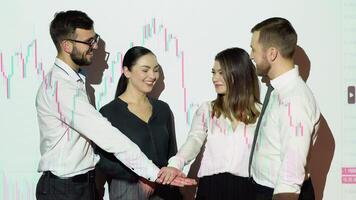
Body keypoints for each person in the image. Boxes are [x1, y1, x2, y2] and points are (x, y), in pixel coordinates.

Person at [35, 10, 195, 200]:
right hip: (65, 189)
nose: (94, 47)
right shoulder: (61, 88)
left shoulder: (77, 82)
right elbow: (107, 136)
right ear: (66, 45)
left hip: (80, 186)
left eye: (95, 40)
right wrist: (154, 175)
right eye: (88, 42)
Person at [165, 47, 261, 200]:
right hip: (212, 188)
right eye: (213, 72)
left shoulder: (261, 112)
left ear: (238, 73)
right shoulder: (207, 109)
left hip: (249, 188)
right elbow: (194, 140)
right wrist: (175, 164)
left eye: (221, 72)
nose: (215, 78)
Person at [95, 46, 182, 200]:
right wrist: (139, 177)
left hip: (165, 190)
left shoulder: (163, 109)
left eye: (156, 70)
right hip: (128, 190)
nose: (153, 75)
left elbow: (171, 154)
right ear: (127, 71)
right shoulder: (109, 112)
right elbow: (103, 162)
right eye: (145, 70)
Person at [249, 17, 320, 200]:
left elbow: (291, 173)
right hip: (264, 189)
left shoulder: (294, 99)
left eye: (254, 49)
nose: (251, 55)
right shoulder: (278, 90)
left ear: (272, 54)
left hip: (280, 194)